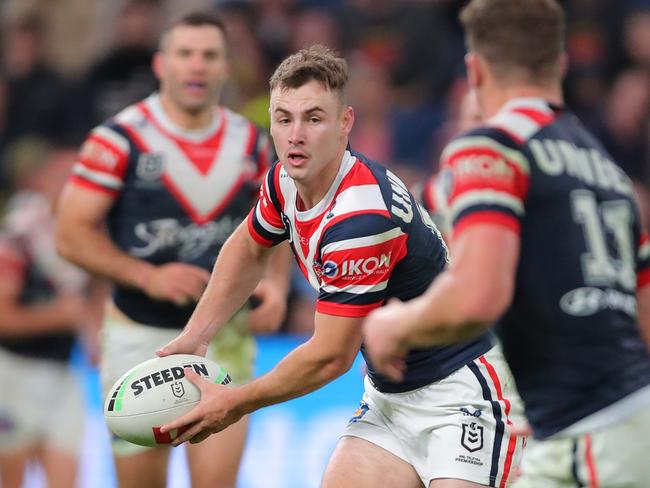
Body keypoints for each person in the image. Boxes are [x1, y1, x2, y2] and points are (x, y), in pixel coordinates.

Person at [157, 45, 525, 488]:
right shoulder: (284, 180)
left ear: (344, 123)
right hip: (391, 401)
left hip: (465, 395)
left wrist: (234, 402)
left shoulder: (360, 218)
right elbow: (249, 248)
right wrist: (195, 337)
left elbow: (330, 356)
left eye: (313, 119)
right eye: (284, 118)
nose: (295, 135)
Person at [362, 0, 650, 486]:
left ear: (474, 70)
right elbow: (642, 321)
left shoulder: (490, 147)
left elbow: (478, 295)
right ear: (560, 63)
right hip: (624, 423)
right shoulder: (608, 171)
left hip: (589, 437)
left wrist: (395, 324)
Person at [55, 11, 290, 488]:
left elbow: (274, 223)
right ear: (162, 65)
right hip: (141, 340)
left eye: (209, 55)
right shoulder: (119, 139)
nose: (197, 66)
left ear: (226, 66)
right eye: (185, 54)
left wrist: (278, 284)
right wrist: (146, 276)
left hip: (223, 339)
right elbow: (70, 235)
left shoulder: (253, 143)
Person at [0, 144, 101, 488]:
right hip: (13, 374)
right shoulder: (17, 237)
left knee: (67, 475)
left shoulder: (85, 237)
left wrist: (94, 332)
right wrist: (57, 316)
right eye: (64, 175)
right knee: (12, 475)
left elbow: (98, 288)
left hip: (62, 375)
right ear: (40, 181)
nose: (72, 185)